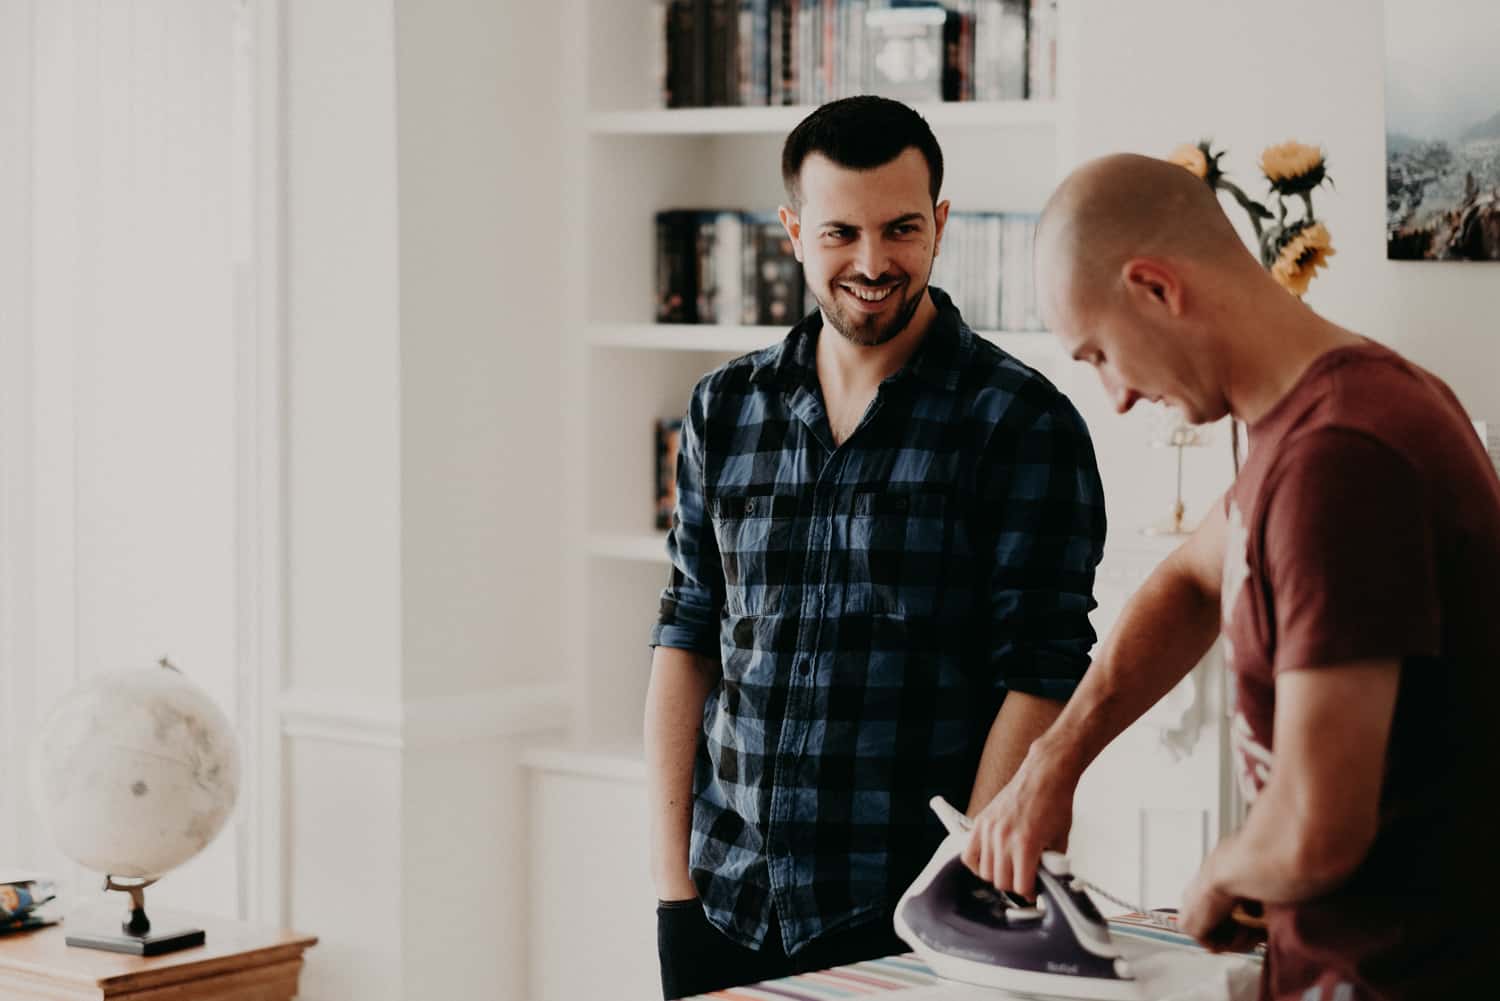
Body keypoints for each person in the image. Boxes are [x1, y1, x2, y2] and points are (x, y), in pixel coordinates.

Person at [963, 152, 1500, 1000]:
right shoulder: (1314, 416)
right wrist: (1053, 761)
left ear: (1156, 287)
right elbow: (1192, 580)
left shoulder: (1343, 460)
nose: (1116, 397)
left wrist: (1216, 877)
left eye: (1100, 353)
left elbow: (1317, 829)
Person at [645, 95, 1107, 1000]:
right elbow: (687, 636)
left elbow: (1044, 673)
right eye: (839, 233)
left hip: (915, 926)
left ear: (939, 222)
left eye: (900, 228)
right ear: (793, 231)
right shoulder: (722, 410)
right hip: (723, 909)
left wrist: (964, 896)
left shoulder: (1020, 422)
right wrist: (673, 892)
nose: (870, 262)